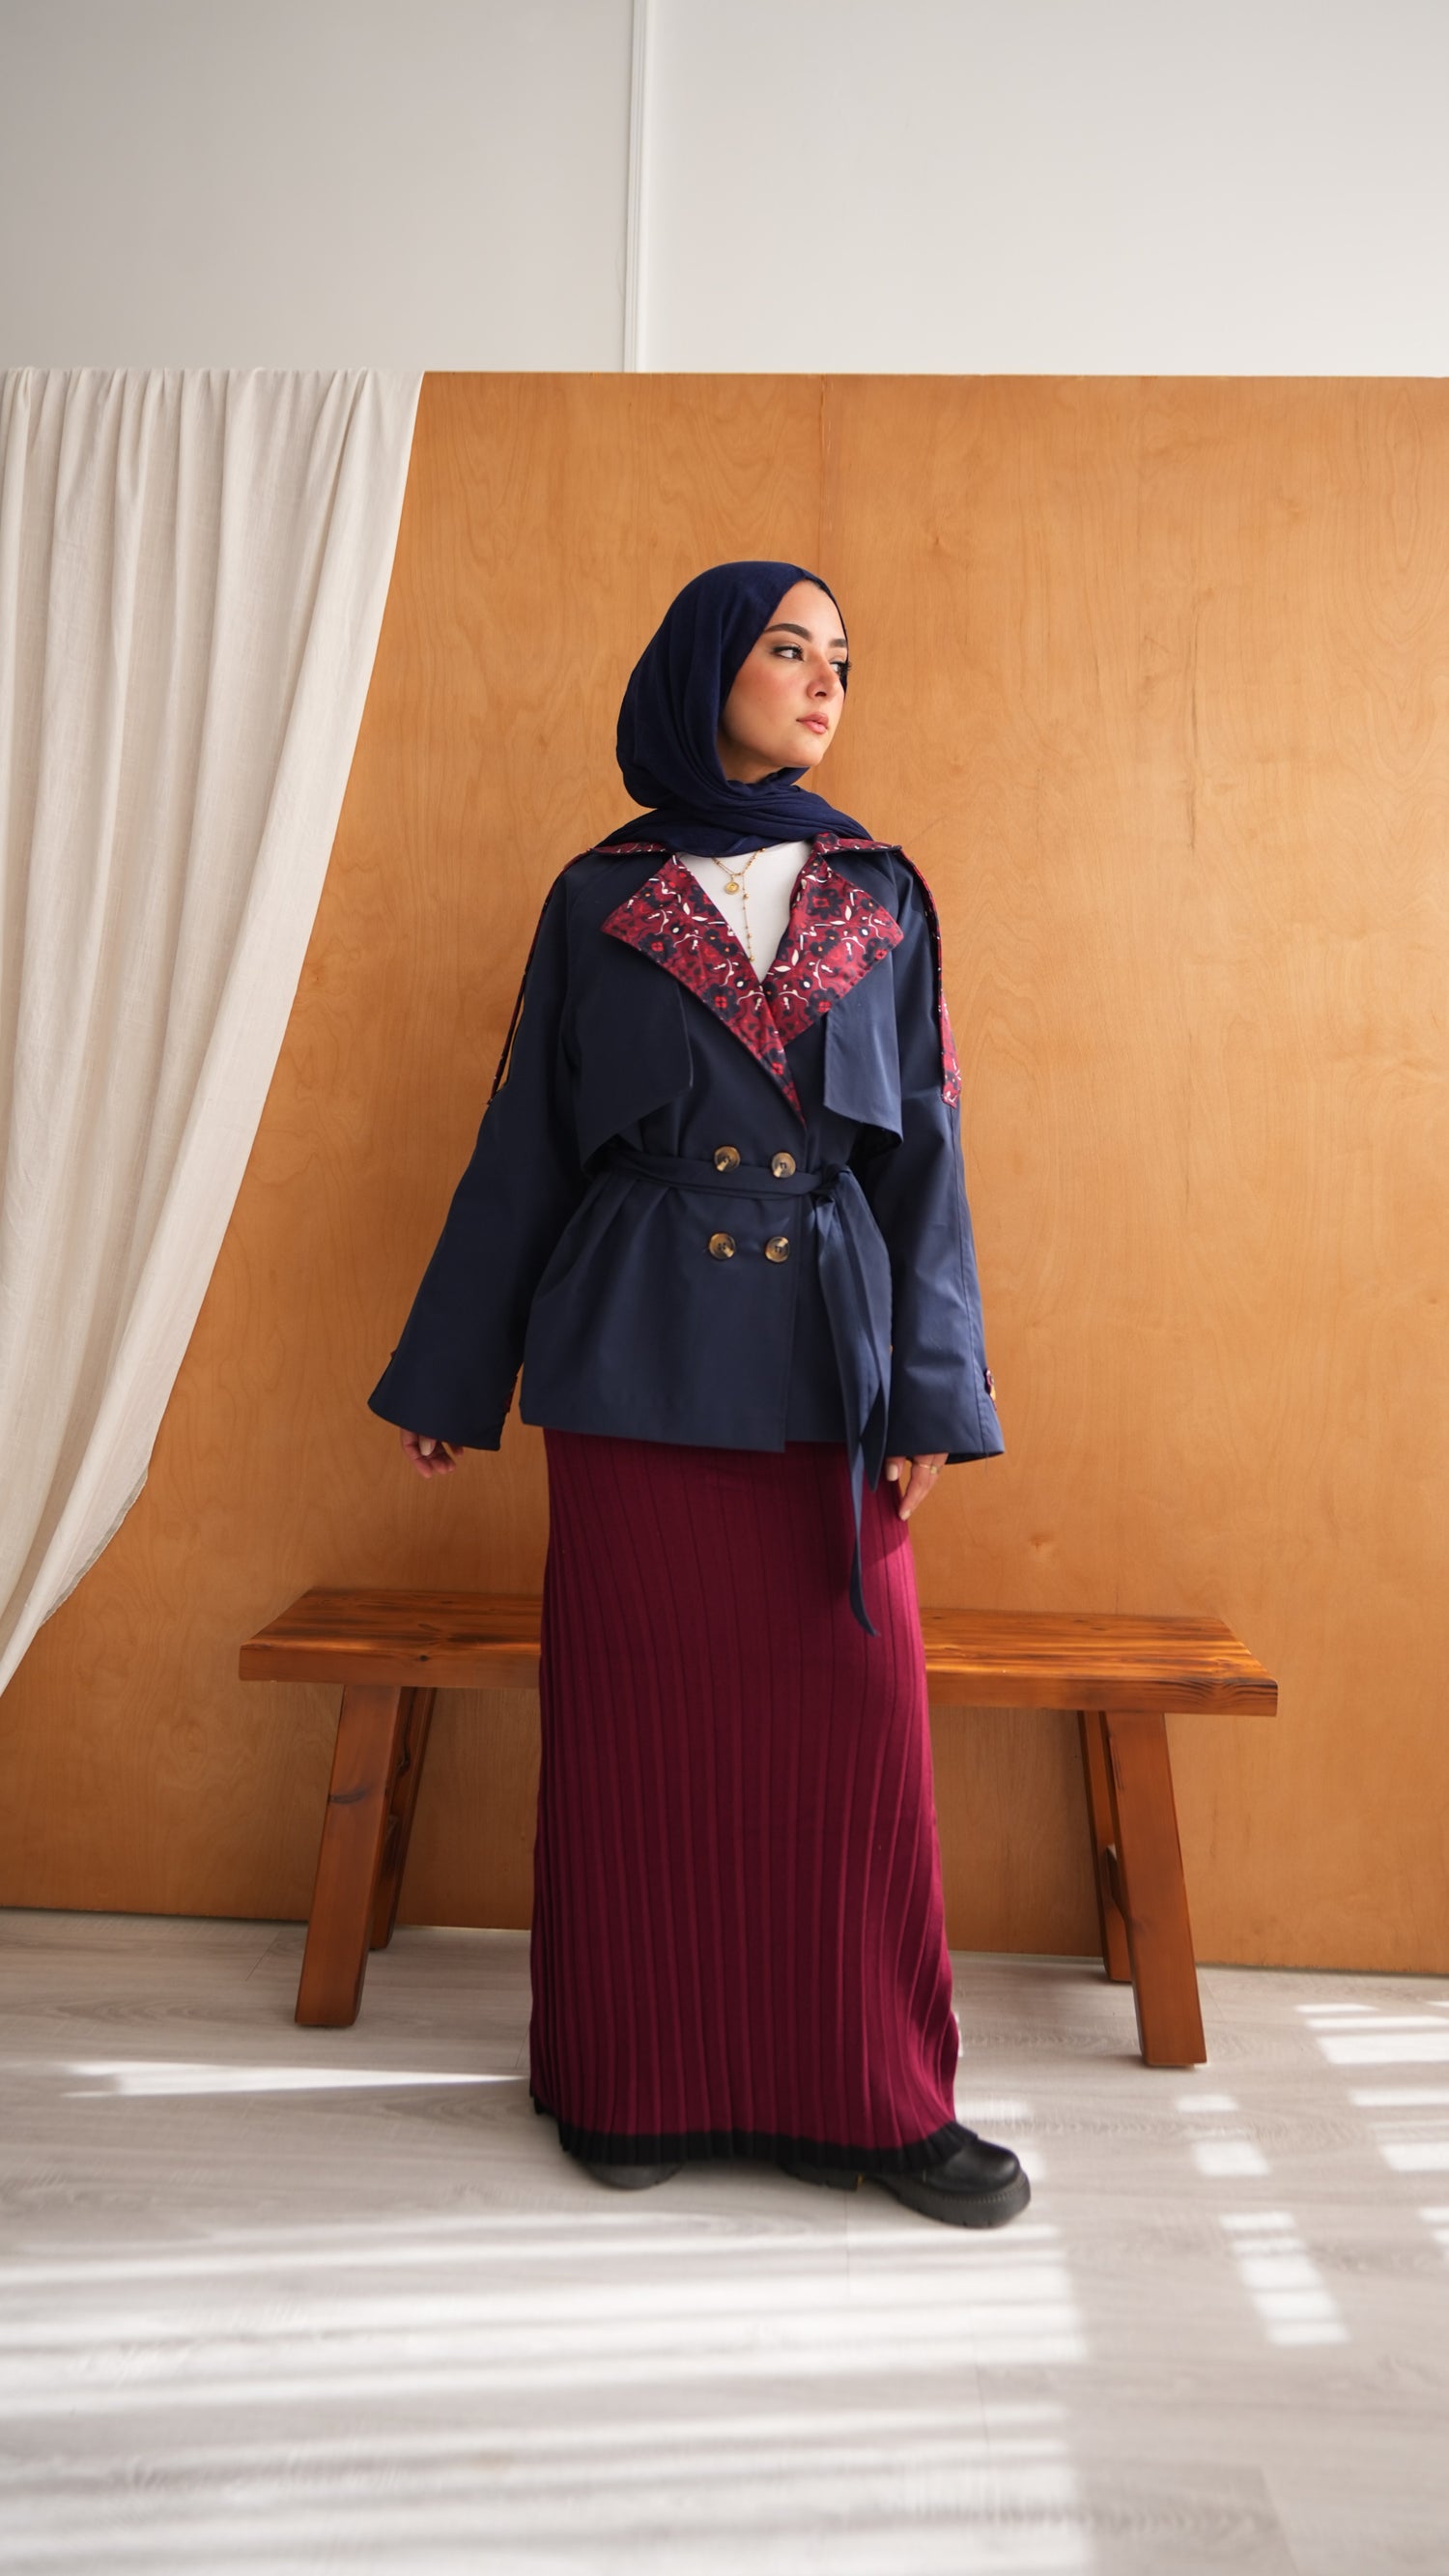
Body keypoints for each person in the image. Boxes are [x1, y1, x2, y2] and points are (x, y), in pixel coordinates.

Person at [368, 560, 1030, 2230]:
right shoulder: (599, 895)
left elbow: (927, 1157)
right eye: (787, 648)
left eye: (842, 658)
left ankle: (871, 2102)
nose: (824, 681)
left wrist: (931, 1394)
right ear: (702, 670)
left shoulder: (883, 893)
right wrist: (455, 1369)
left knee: (850, 1752)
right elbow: (524, 1144)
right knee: (638, 1746)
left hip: (828, 1360)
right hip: (631, 1353)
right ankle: (628, 2074)